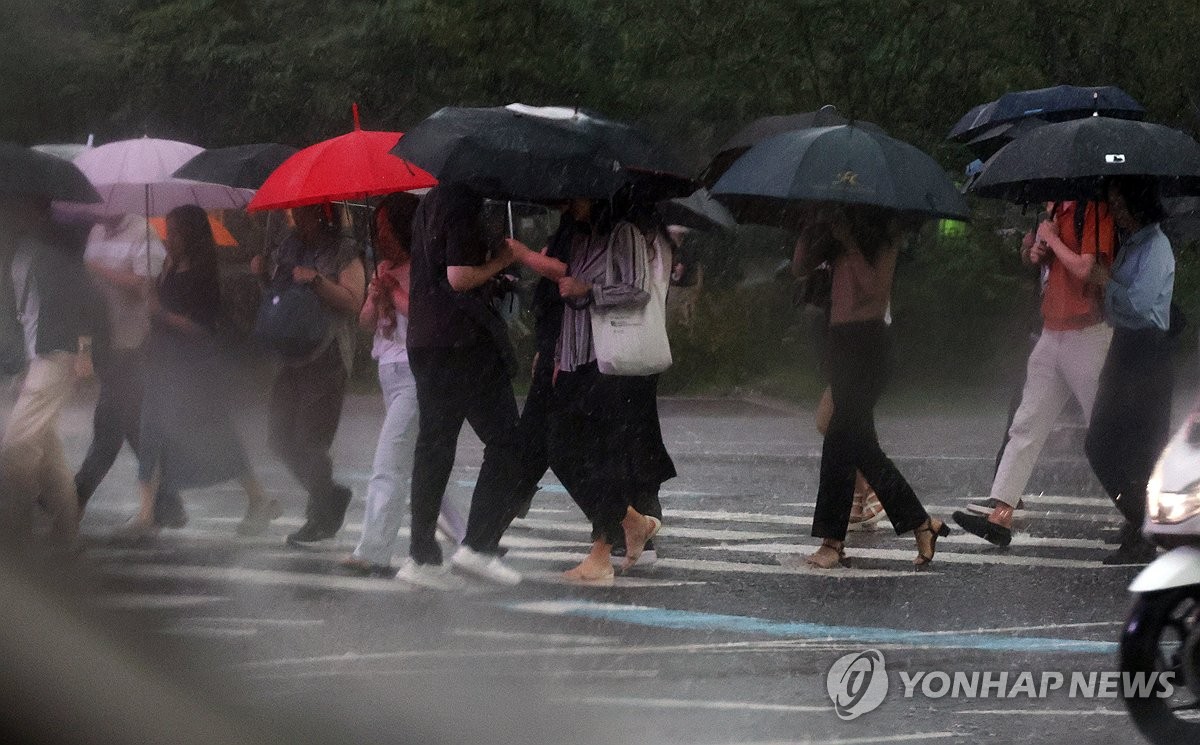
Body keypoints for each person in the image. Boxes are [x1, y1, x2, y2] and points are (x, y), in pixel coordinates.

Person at [509, 198, 672, 581]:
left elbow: (637, 290)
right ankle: (631, 522)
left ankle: (602, 552)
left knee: (603, 454)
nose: (567, 203)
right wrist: (557, 357)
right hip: (574, 358)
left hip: (611, 361)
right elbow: (568, 303)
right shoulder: (582, 239)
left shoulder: (623, 233)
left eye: (575, 195)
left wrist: (591, 290)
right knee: (561, 447)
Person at [796, 205, 950, 569]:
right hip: (839, 343)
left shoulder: (886, 235)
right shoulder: (833, 234)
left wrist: (849, 243)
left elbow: (875, 291)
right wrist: (810, 229)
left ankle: (833, 542)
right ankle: (919, 522)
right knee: (857, 444)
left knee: (842, 440)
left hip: (868, 345)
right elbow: (798, 269)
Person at [954, 200, 1115, 546]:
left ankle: (1145, 511)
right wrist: (1036, 251)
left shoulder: (1092, 210)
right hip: (1051, 331)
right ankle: (1001, 514)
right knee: (1026, 423)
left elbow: (1089, 269)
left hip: (1087, 334)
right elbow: (1047, 266)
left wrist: (1053, 240)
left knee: (1105, 430)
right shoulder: (1055, 212)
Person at [125, 205, 278, 538]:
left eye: (176, 232)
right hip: (163, 365)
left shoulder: (204, 273)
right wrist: (154, 293)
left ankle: (258, 496)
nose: (170, 238)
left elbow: (203, 327)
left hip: (192, 369)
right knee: (150, 430)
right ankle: (146, 513)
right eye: (168, 230)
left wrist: (161, 313)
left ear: (191, 235)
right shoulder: (168, 264)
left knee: (216, 434)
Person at [402, 183, 523, 587]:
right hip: (463, 342)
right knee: (508, 443)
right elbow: (459, 276)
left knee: (434, 446)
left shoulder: (429, 203)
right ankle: (479, 544)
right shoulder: (463, 201)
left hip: (426, 338)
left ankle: (421, 554)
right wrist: (502, 260)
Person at [338, 194, 465, 577]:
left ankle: (374, 550)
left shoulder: (424, 267)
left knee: (389, 462)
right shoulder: (383, 268)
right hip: (388, 374)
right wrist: (376, 296)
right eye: (377, 230)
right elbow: (364, 323)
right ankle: (471, 539)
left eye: (385, 228)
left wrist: (394, 291)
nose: (381, 236)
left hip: (415, 373)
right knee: (420, 465)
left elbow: (426, 314)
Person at [250, 204, 364, 547]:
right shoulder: (287, 244)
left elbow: (353, 300)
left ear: (322, 213)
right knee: (279, 438)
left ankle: (319, 516)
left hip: (327, 352)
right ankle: (330, 495)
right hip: (291, 351)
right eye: (294, 213)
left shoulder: (343, 249)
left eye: (305, 213)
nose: (297, 219)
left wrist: (316, 281)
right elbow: (279, 293)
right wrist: (261, 273)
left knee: (311, 442)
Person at [73, 213, 187, 527]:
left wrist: (99, 270)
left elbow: (143, 286)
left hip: (134, 343)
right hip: (104, 341)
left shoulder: (142, 232)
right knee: (136, 428)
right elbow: (87, 287)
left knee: (108, 428)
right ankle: (170, 503)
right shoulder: (95, 230)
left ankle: (73, 499)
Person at [1085, 177, 1175, 565]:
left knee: (1126, 445)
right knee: (1106, 442)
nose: (1116, 214)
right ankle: (1138, 519)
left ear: (1139, 204)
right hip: (1124, 347)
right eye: (1112, 206)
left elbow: (1137, 305)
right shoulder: (1131, 246)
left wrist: (1109, 284)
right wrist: (1108, 290)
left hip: (1147, 351)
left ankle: (1143, 526)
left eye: (1120, 206)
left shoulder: (1155, 247)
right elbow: (1115, 310)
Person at [0, 196, 97, 548]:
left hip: (56, 356)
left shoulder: (57, 248)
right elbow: (24, 310)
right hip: (37, 356)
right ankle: (67, 532)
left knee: (16, 446)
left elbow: (78, 300)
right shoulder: (23, 247)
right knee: (48, 452)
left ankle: (15, 531)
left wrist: (83, 351)